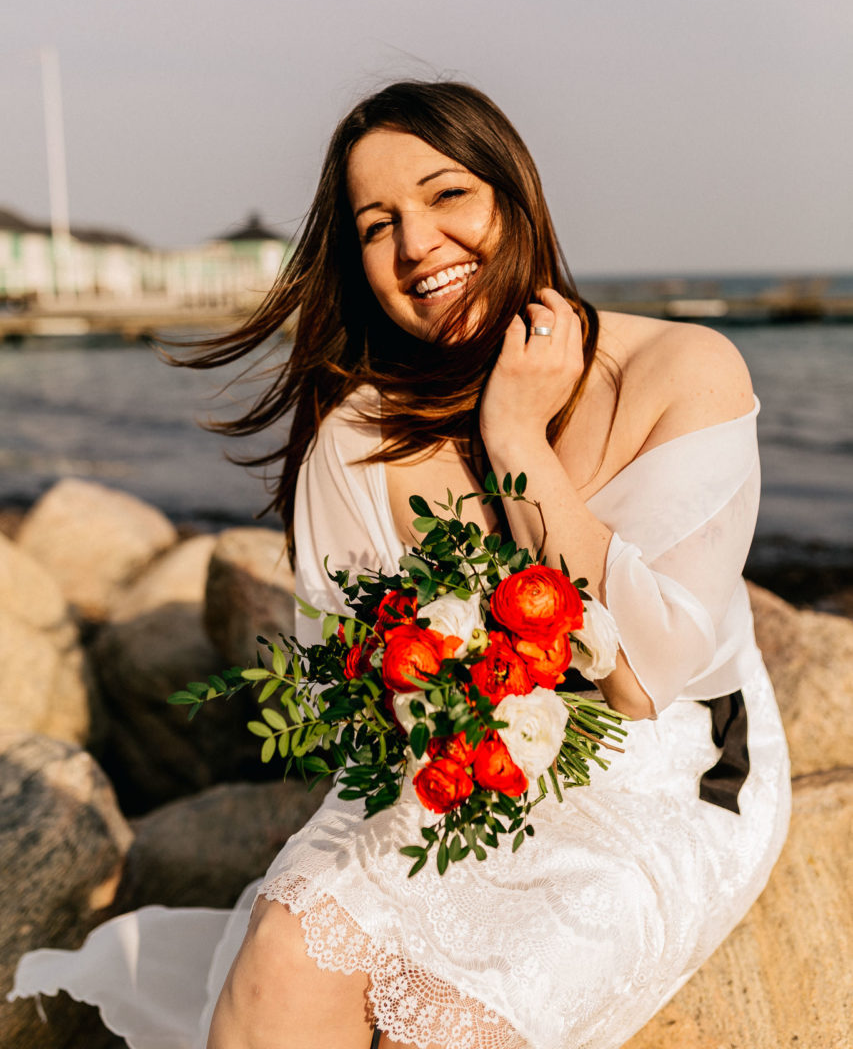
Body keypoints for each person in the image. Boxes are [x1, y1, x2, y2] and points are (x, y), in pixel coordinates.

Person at [10, 81, 791, 1049]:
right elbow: (355, 700)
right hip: (441, 775)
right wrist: (417, 702)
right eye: (378, 224)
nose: (416, 244)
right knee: (279, 967)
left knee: (453, 1025)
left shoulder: (683, 370)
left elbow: (637, 678)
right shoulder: (359, 437)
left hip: (669, 769)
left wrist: (513, 431)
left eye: (447, 195)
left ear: (516, 199)